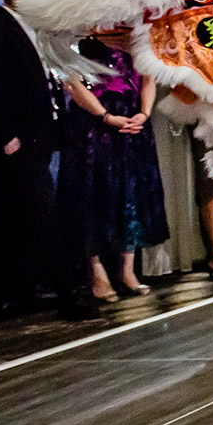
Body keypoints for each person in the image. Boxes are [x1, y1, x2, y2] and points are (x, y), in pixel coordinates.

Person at [0, 0, 93, 319]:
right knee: (39, 214)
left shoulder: (41, 28)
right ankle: (67, 293)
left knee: (33, 215)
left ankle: (26, 291)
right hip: (17, 139)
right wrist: (6, 134)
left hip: (46, 135)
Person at [58, 35, 170, 301]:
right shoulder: (75, 37)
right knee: (93, 196)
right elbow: (72, 83)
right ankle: (96, 272)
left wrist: (143, 113)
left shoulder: (134, 36)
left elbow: (148, 78)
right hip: (92, 127)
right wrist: (105, 116)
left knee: (131, 195)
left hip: (133, 123)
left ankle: (127, 270)